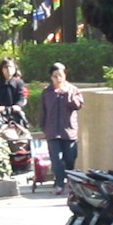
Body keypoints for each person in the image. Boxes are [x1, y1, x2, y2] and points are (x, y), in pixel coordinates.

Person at [39, 60, 84, 191]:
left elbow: (78, 105)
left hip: (68, 131)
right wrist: (43, 127)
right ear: (51, 77)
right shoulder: (47, 92)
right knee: (56, 159)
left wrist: (66, 94)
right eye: (55, 76)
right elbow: (43, 111)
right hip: (52, 131)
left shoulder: (73, 90)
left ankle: (69, 178)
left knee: (70, 158)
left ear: (65, 76)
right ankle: (59, 184)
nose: (58, 79)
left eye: (61, 75)